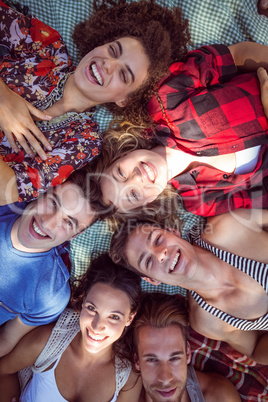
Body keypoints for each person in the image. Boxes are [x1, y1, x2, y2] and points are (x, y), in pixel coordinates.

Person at [0, 0, 189, 204]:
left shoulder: (84, 141)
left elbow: (7, 189)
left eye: (124, 75)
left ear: (125, 100)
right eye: (113, 50)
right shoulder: (47, 47)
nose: (108, 64)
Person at [99, 42, 268, 216]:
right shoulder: (201, 202)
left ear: (121, 155)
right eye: (133, 194)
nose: (136, 178)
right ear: (148, 202)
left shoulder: (163, 101)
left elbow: (237, 54)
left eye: (120, 173)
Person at [110, 208, 268, 364]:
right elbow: (254, 347)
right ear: (152, 280)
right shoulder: (207, 321)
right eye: (148, 261)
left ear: (173, 231)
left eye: (158, 239)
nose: (160, 254)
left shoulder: (228, 227)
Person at [0, 253, 143, 402]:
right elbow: (3, 370)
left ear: (130, 318)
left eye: (114, 317)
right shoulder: (49, 342)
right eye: (92, 308)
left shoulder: (128, 378)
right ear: (83, 302)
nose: (96, 327)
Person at [0, 169, 104, 358]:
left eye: (68, 223)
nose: (48, 223)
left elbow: (6, 340)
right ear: (41, 193)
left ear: (75, 235)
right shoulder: (3, 201)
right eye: (53, 203)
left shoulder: (51, 294)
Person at [132, 292, 240, 402]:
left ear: (188, 353)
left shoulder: (218, 396)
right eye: (152, 360)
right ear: (137, 360)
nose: (165, 379)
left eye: (174, 358)